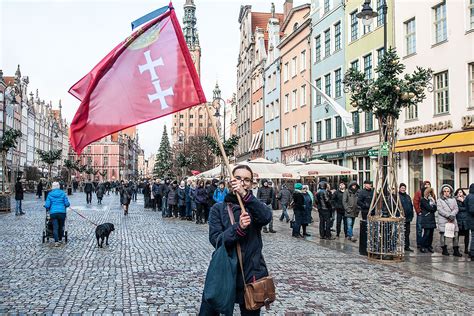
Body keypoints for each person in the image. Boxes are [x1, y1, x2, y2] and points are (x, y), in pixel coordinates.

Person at [199, 164, 272, 315]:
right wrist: (238, 228)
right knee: (210, 309)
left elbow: (266, 217)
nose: (241, 182)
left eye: (246, 180)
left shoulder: (254, 206)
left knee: (250, 311)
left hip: (251, 272)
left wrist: (246, 196)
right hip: (224, 271)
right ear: (230, 181)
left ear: (251, 184)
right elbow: (216, 240)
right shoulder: (218, 209)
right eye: (237, 178)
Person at [437, 184, 462, 257]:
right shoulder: (439, 200)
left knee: (456, 234)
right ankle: (444, 249)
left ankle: (456, 249)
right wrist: (448, 215)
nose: (446, 192)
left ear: (450, 192)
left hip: (453, 219)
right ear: (442, 192)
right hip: (443, 220)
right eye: (444, 191)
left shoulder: (453, 199)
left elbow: (456, 208)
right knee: (443, 234)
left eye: (448, 191)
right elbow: (440, 209)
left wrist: (452, 215)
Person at [44, 182, 70, 247]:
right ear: (59, 186)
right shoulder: (63, 193)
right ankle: (60, 239)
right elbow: (67, 204)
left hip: (53, 213)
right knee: (61, 226)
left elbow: (47, 205)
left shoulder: (50, 194)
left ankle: (56, 241)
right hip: (62, 213)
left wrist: (46, 206)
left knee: (55, 227)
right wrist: (65, 205)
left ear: (52, 187)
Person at [413, 181, 432, 248]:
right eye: (426, 184)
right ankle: (419, 243)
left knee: (428, 229)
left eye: (428, 184)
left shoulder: (431, 193)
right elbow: (415, 202)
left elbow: (433, 202)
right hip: (421, 213)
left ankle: (427, 243)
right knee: (419, 229)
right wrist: (418, 211)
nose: (427, 185)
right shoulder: (419, 192)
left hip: (429, 214)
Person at [419, 187, 437, 253]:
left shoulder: (431, 200)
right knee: (426, 233)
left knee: (431, 234)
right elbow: (430, 208)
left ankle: (429, 245)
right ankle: (422, 246)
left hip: (431, 218)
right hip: (426, 219)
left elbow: (435, 209)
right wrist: (432, 205)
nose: (429, 194)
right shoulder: (423, 200)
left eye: (430, 193)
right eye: (428, 193)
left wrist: (433, 202)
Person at [399, 183, 414, 252]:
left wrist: (412, 215)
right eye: (402, 188)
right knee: (400, 232)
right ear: (399, 188)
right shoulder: (397, 197)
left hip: (408, 218)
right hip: (400, 218)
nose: (403, 189)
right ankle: (400, 246)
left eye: (404, 188)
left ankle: (406, 246)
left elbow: (411, 206)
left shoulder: (408, 197)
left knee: (407, 233)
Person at [454, 188, 470, 255]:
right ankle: (456, 248)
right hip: (458, 220)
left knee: (467, 235)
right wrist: (464, 208)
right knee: (457, 235)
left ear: (463, 193)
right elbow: (458, 209)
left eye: (461, 192)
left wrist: (463, 201)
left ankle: (466, 249)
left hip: (466, 221)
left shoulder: (466, 200)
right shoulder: (455, 200)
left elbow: (468, 208)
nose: (460, 193)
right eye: (458, 192)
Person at [464, 183, 474, 260]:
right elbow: (472, 210)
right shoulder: (472, 197)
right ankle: (472, 253)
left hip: (469, 220)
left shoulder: (468, 196)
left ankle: (471, 252)